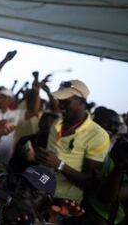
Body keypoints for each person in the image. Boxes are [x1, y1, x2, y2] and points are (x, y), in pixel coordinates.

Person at [36, 80, 110, 213]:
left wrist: (59, 165)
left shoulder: (98, 135)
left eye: (66, 102)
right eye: (60, 101)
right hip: (39, 193)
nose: (61, 105)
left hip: (65, 204)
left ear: (82, 102)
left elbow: (90, 181)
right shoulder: (57, 123)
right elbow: (49, 160)